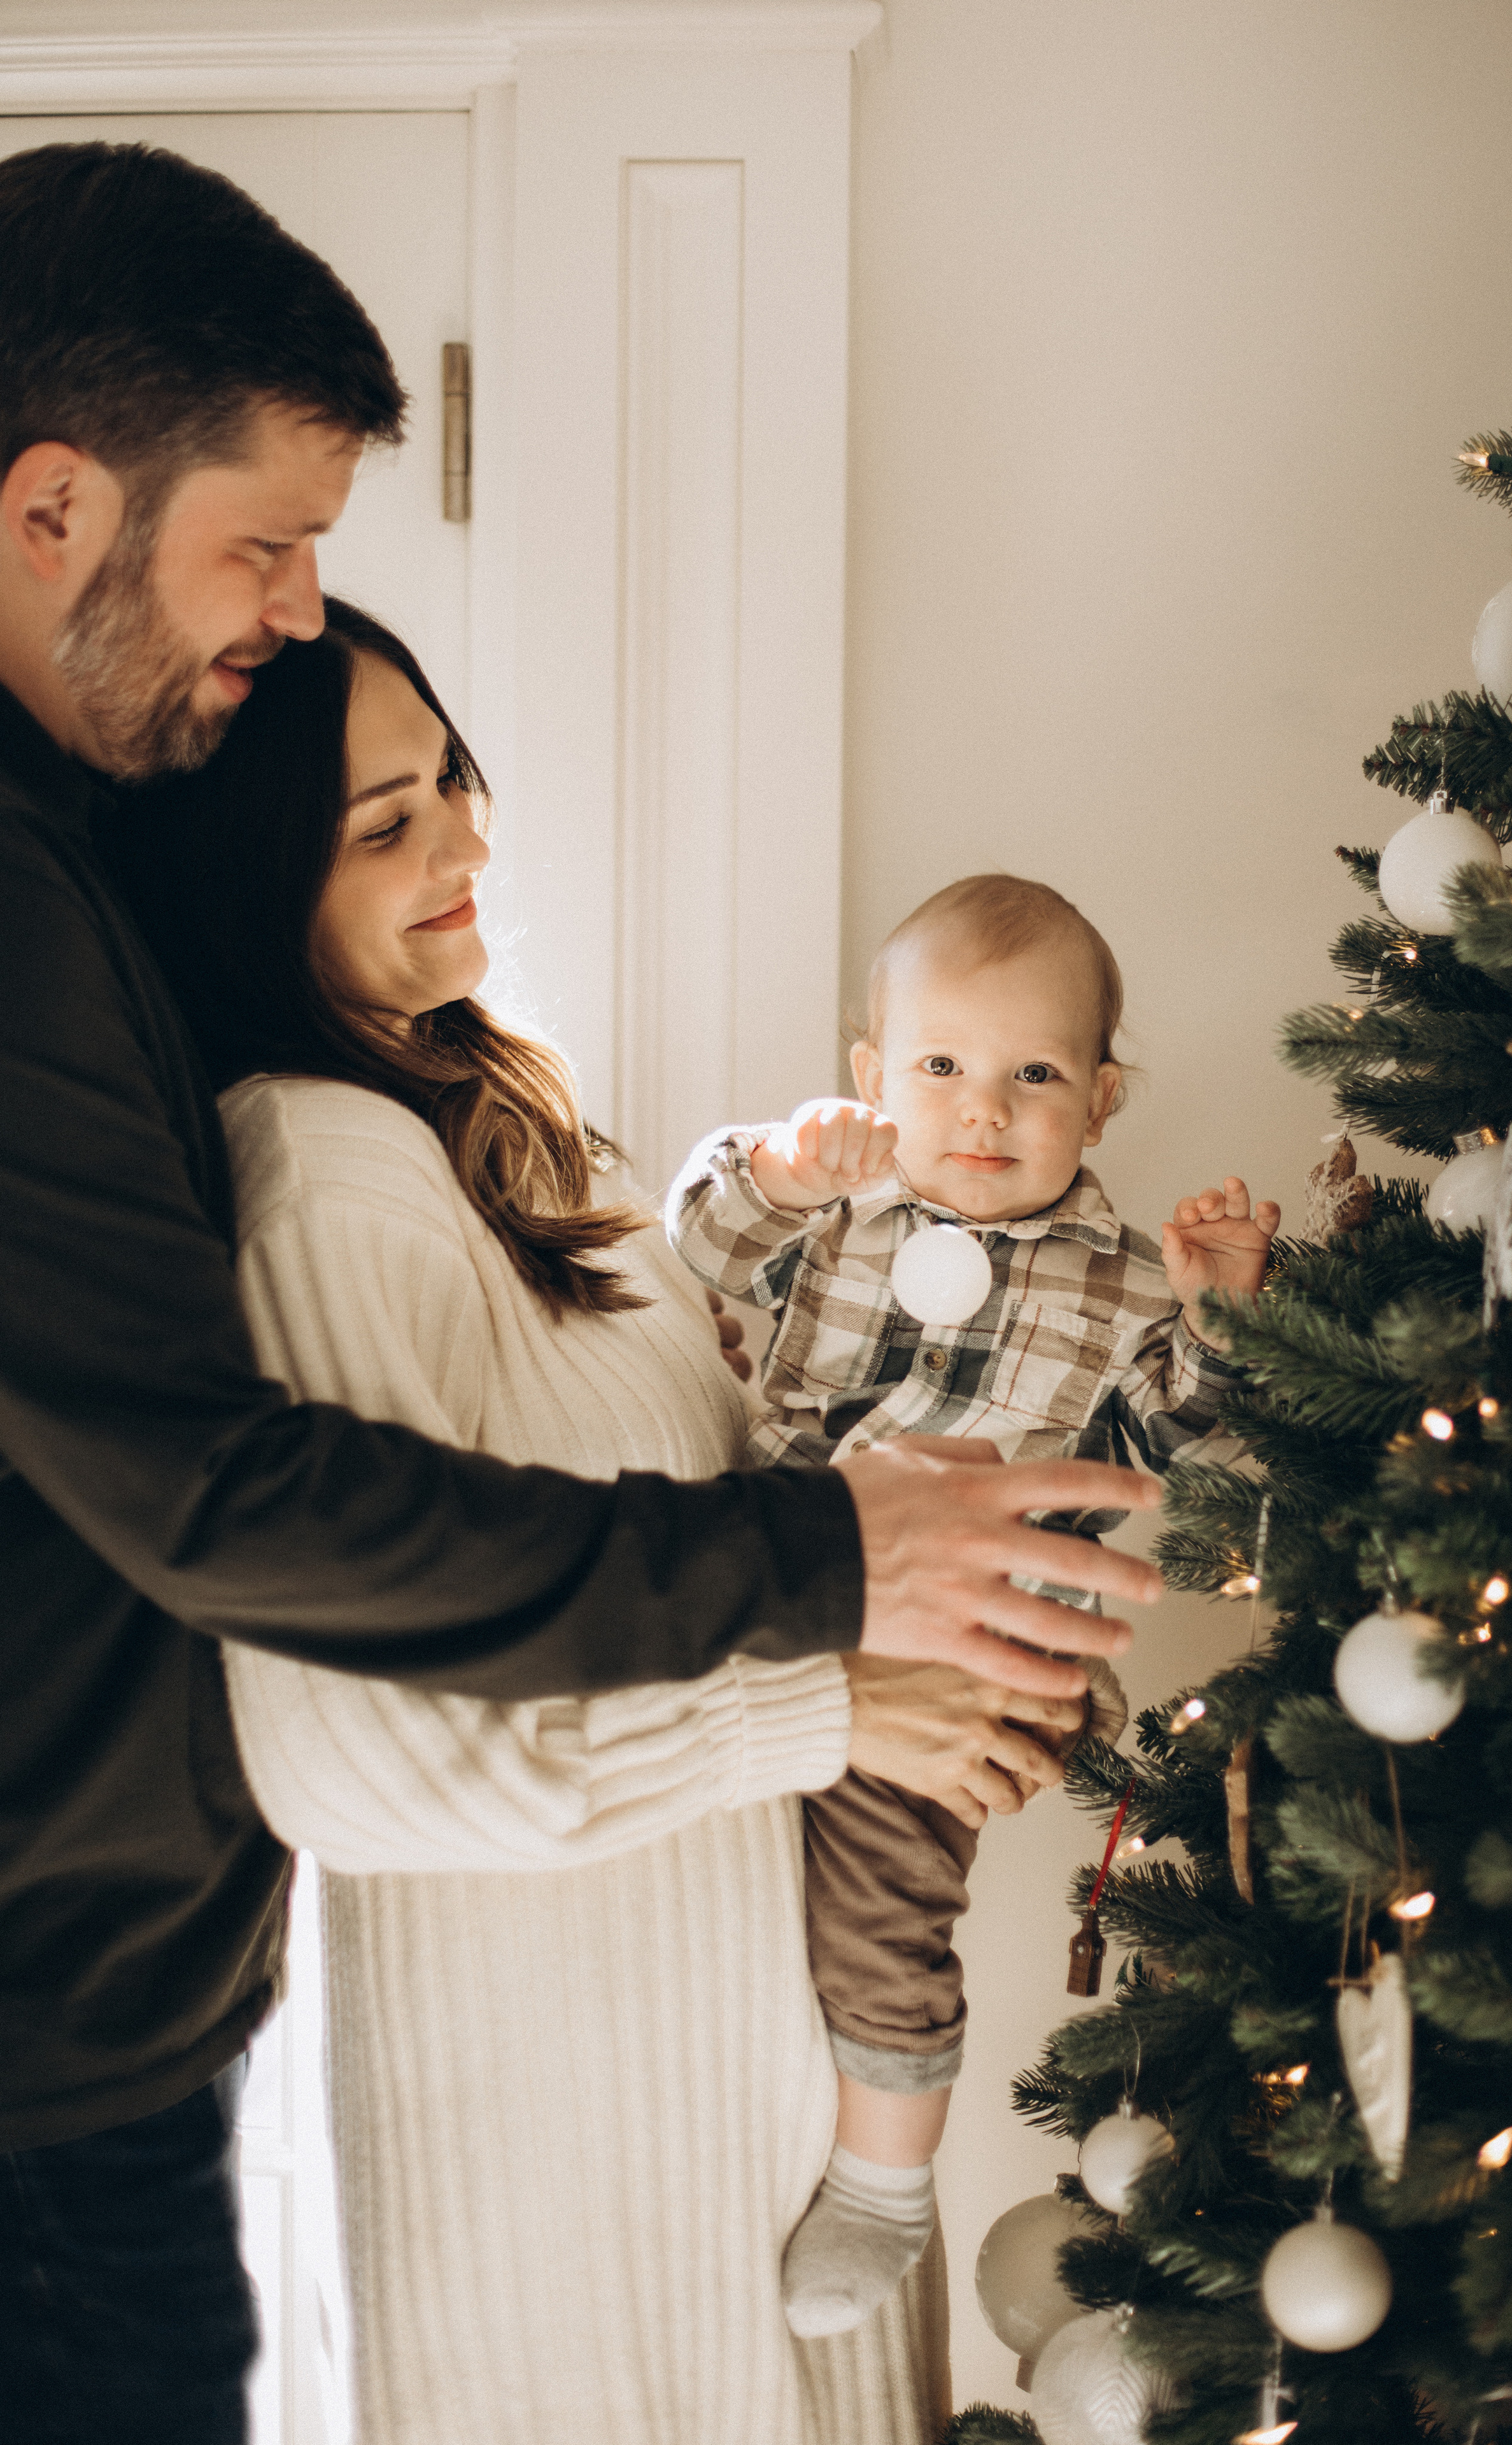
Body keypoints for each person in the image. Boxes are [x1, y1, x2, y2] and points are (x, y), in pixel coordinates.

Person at [0, 142, 1166, 2442]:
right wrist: (834, 1611)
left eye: (453, 784)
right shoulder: (282, 1135)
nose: (296, 608)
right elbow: (250, 1555)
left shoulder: (451, 1112)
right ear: (53, 508)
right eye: (267, 545)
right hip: (195, 2072)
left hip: (327, 2045)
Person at [110, 600, 1115, 2444]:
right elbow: (359, 1757)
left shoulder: (508, 1134)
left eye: (452, 784)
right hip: (572, 2201)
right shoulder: (322, 1172)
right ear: (255, 882)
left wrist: (950, 1652)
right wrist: (839, 1707)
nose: (463, 846)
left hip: (766, 2138)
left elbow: (701, 1545)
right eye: (386, 824)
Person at [668, 873, 1281, 2337]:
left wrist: (1217, 1321)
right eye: (940, 1066)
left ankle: (885, 2180)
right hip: (799, 1577)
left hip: (975, 1635)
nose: (982, 1112)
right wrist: (777, 1173)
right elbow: (692, 1251)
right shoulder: (833, 1212)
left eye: (1034, 1076)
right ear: (873, 1074)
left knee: (886, 1887)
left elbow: (1168, 1443)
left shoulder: (1125, 1282)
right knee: (740, 1863)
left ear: (1101, 1098)